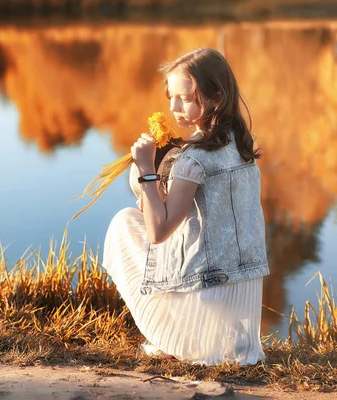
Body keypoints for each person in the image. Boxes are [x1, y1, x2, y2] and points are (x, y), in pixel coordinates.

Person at [103, 48, 269, 365]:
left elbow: (159, 231)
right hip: (244, 295)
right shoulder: (239, 144)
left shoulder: (193, 158)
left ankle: (185, 336)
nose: (174, 108)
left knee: (125, 223)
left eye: (185, 98)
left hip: (208, 294)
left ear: (215, 97)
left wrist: (146, 172)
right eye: (171, 97)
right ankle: (226, 338)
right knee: (146, 220)